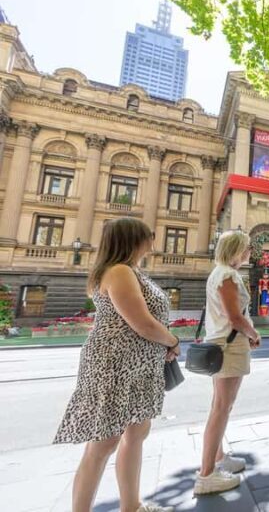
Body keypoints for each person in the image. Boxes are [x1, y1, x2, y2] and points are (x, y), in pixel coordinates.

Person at [54, 218, 179, 512]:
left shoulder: (129, 270)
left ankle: (132, 506)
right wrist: (172, 341)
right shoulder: (120, 271)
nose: (153, 239)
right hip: (115, 365)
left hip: (137, 365)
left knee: (136, 433)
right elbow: (142, 323)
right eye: (149, 235)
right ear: (133, 239)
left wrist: (161, 346)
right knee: (104, 442)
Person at [194, 230, 262, 495]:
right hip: (229, 346)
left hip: (222, 343)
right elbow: (235, 317)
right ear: (235, 249)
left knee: (219, 406)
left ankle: (219, 458)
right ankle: (206, 474)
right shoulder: (228, 275)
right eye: (246, 247)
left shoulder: (219, 273)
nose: (249, 252)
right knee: (222, 408)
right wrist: (254, 334)